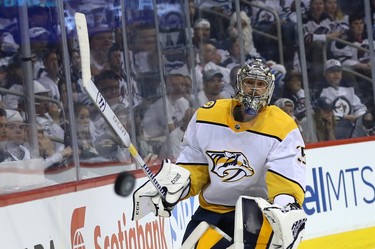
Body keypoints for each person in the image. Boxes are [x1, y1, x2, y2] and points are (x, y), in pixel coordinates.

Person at [132, 59, 306, 248]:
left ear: (269, 89)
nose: (254, 90)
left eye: (261, 84)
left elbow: (285, 181)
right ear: (239, 83)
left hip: (256, 214)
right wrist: (172, 187)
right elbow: (194, 167)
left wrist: (285, 209)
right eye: (249, 82)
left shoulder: (282, 126)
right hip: (212, 210)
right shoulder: (207, 116)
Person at [320, 59, 367, 139]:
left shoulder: (349, 90)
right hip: (334, 126)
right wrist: (345, 117)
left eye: (338, 71)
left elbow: (360, 108)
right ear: (325, 74)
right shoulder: (322, 92)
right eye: (332, 71)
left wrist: (360, 116)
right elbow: (323, 113)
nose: (336, 74)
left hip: (351, 126)